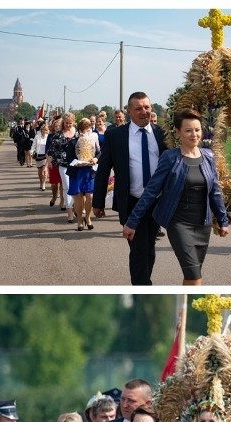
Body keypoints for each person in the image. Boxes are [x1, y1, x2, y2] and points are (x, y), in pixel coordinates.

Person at [121, 108, 229, 285]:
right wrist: (132, 221)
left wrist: (223, 220)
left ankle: (183, 308)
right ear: (178, 132)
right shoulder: (170, 158)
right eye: (188, 130)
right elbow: (151, 191)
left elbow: (215, 191)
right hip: (179, 224)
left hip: (203, 225)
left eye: (197, 129)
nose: (194, 134)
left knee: (192, 276)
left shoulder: (209, 156)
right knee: (195, 275)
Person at [93, 92, 169, 285]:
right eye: (139, 108)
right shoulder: (116, 135)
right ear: (129, 111)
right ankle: (142, 286)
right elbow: (103, 169)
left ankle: (144, 282)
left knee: (149, 247)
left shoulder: (162, 134)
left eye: (147, 107)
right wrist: (98, 202)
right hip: (132, 201)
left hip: (157, 202)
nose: (144, 112)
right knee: (138, 249)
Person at [68, 117, 101, 231]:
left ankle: (88, 217)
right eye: (83, 130)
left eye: (88, 129)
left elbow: (99, 152)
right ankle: (79, 221)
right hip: (77, 171)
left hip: (90, 170)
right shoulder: (73, 140)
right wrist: (76, 162)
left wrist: (96, 159)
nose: (85, 132)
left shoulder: (94, 138)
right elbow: (69, 156)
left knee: (89, 196)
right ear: (79, 130)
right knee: (78, 196)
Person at [31, 121, 51, 192]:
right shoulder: (37, 137)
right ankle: (40, 181)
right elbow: (33, 146)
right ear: (41, 130)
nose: (44, 131)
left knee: (44, 171)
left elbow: (50, 146)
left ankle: (44, 184)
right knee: (40, 172)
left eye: (46, 130)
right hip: (38, 155)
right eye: (43, 130)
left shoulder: (48, 137)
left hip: (45, 156)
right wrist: (32, 152)